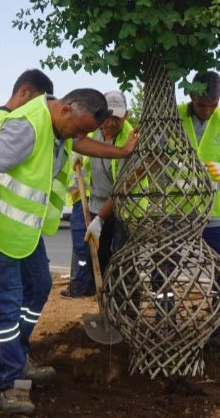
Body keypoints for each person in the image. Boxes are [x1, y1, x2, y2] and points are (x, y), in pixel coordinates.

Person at [0, 86, 137, 414]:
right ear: (66, 109)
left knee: (39, 287)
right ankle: (10, 382)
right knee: (6, 306)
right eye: (80, 128)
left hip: (25, 234)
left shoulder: (61, 127)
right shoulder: (27, 126)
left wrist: (123, 152)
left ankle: (6, 355)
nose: (80, 137)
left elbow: (80, 142)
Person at [0, 69, 57, 382]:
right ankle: (11, 372)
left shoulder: (13, 122)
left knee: (0, 299)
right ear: (26, 94)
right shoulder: (13, 124)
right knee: (6, 301)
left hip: (15, 230)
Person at [178, 71, 220, 357]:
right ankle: (168, 324)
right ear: (192, 96)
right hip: (177, 213)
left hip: (215, 215)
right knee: (166, 273)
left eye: (213, 105)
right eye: (202, 104)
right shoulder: (172, 115)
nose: (207, 110)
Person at [62, 90, 134, 298]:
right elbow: (86, 167)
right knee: (98, 254)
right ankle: (104, 297)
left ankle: (124, 303)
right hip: (96, 204)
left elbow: (122, 188)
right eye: (107, 116)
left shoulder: (130, 140)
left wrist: (100, 219)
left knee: (122, 257)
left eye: (116, 118)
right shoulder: (94, 132)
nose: (110, 123)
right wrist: (77, 159)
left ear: (126, 115)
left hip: (124, 208)